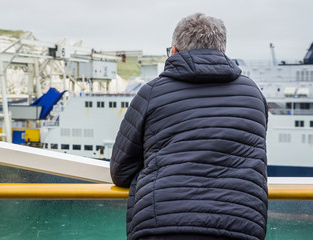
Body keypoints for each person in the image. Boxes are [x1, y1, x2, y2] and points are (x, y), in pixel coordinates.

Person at [110, 13, 268, 240]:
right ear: (222, 50)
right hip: (239, 226)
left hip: (162, 225)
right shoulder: (253, 94)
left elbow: (120, 171)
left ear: (174, 50)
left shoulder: (152, 92)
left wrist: (159, 173)